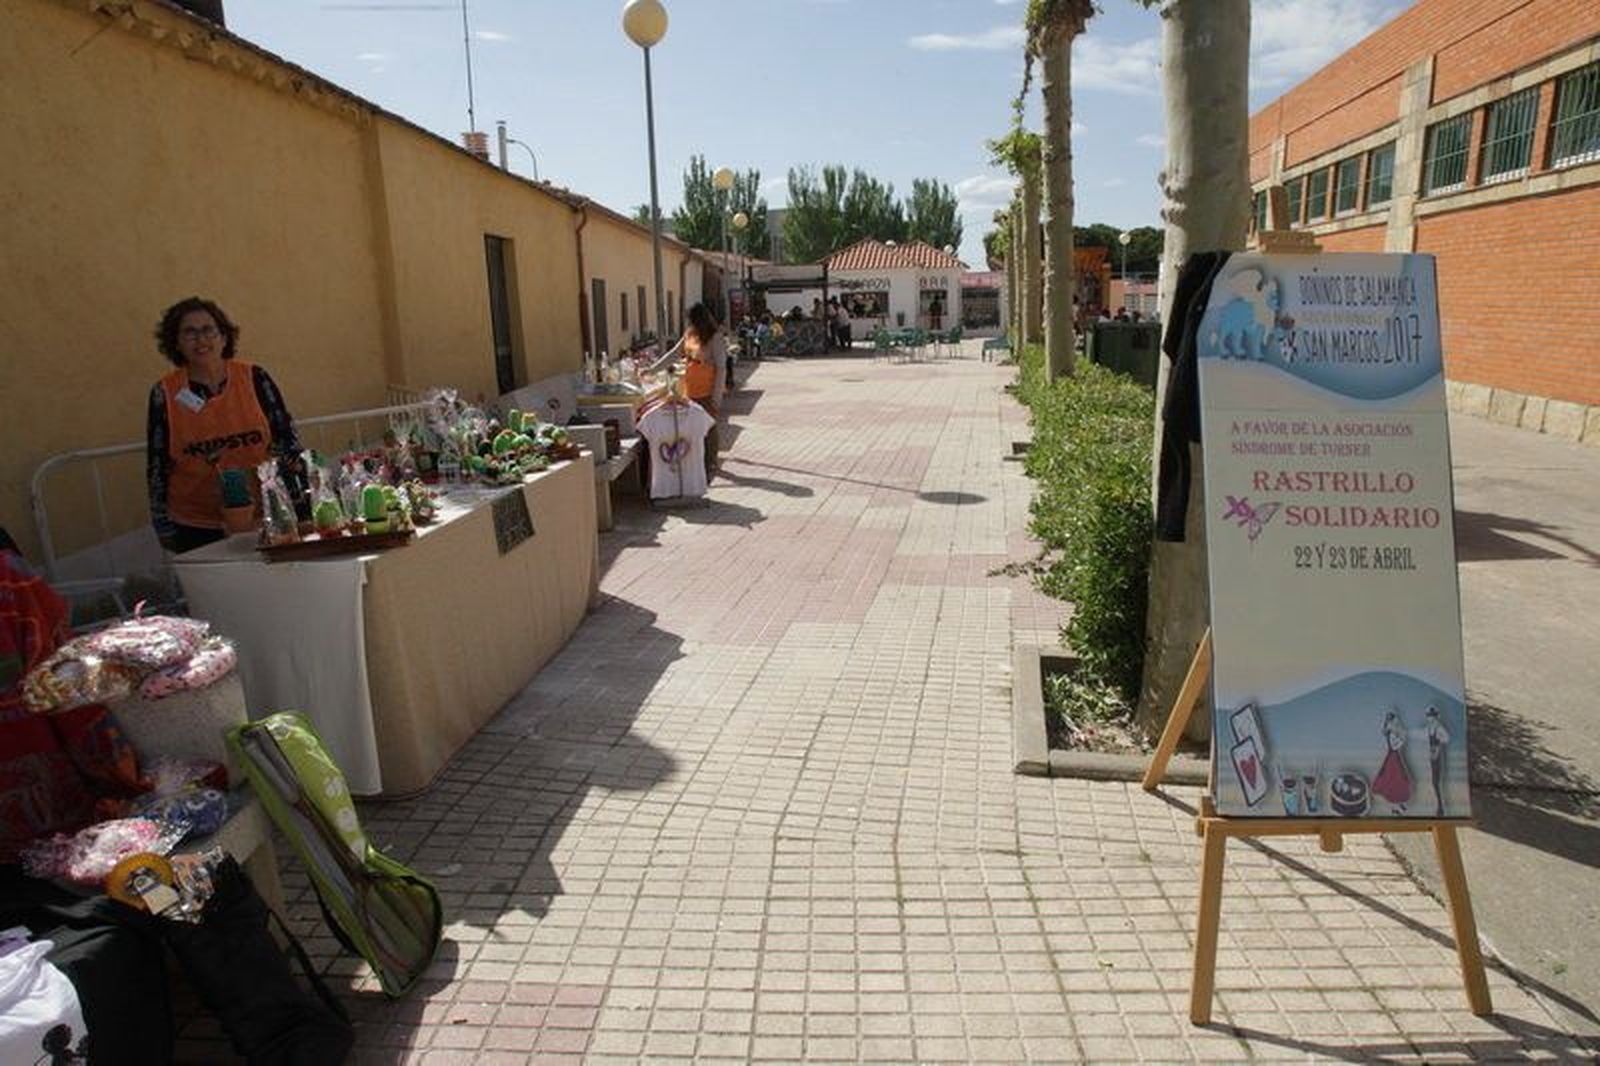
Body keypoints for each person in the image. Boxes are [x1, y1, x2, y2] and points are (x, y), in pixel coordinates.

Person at [145, 297, 302, 554]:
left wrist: (295, 499)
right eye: (190, 332)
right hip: (196, 522)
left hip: (266, 514)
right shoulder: (164, 393)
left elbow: (287, 439)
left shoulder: (255, 378)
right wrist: (162, 524)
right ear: (176, 342)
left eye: (208, 330)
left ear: (224, 337)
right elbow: (157, 464)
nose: (201, 340)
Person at [647, 303, 727, 476]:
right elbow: (674, 354)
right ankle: (698, 461)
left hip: (707, 391)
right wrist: (652, 369)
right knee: (694, 427)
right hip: (690, 390)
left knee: (709, 427)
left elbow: (721, 368)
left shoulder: (715, 338)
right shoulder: (690, 334)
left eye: (692, 320)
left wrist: (716, 396)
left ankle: (711, 462)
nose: (690, 324)